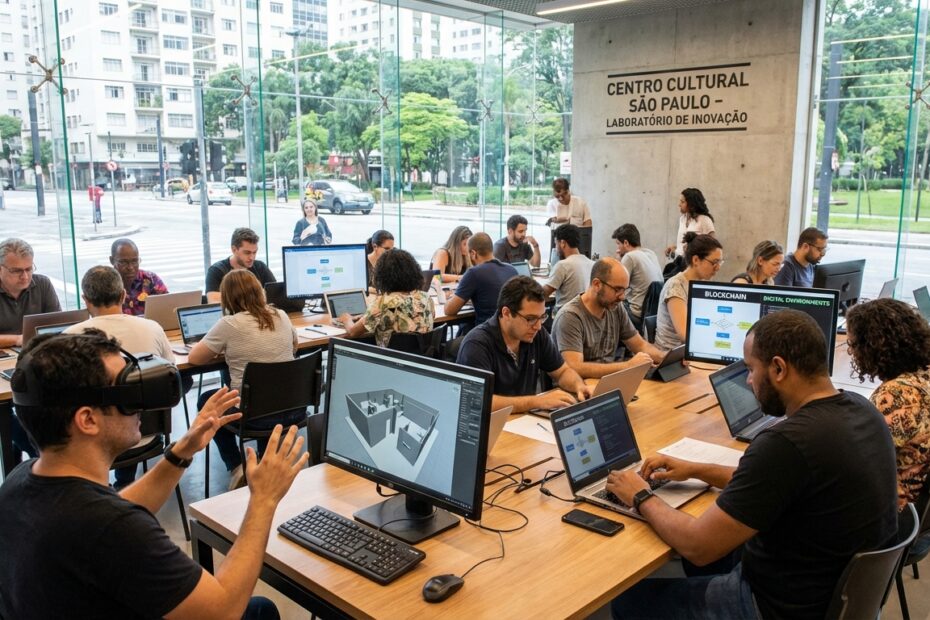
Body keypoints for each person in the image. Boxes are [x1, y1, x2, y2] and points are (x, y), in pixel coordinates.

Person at [607, 310, 898, 619]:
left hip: (777, 607)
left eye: (750, 369)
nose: (748, 380)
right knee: (717, 556)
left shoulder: (786, 443)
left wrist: (640, 495)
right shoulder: (862, 409)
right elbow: (777, 483)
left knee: (630, 601)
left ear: (778, 368)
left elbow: (698, 546)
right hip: (838, 598)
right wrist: (695, 469)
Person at [0, 331, 308, 619]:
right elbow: (224, 609)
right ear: (87, 420)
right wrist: (264, 500)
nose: (141, 406)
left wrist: (179, 453)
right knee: (258, 611)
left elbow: (112, 511)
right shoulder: (110, 528)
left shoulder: (22, 481)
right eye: (128, 392)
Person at [64, 265, 175, 489]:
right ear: (123, 295)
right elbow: (169, 373)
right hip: (146, 434)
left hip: (94, 440)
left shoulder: (70, 337)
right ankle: (124, 483)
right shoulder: (152, 327)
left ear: (85, 300)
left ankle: (111, 485)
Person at [189, 269, 300, 489]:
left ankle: (236, 465)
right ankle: (262, 461)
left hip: (252, 415)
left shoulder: (229, 324)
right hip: (292, 408)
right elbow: (294, 347)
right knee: (263, 392)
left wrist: (225, 349)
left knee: (207, 400)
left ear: (228, 297)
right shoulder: (282, 316)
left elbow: (195, 358)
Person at [456, 276, 592, 413]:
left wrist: (578, 385)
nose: (538, 326)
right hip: (492, 427)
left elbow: (562, 372)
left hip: (524, 421)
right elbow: (477, 401)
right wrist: (537, 401)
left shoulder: (535, 334)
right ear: (506, 313)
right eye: (530, 319)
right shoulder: (477, 345)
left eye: (542, 317)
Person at [846, 298, 930, 508]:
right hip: (919, 507)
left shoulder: (896, 395)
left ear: (871, 346)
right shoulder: (923, 374)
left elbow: (856, 463)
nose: (851, 352)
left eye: (852, 344)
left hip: (891, 511)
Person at [553, 258, 665, 379]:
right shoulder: (570, 316)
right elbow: (574, 367)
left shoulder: (615, 307)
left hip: (608, 382)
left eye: (625, 290)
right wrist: (627, 366)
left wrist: (665, 357)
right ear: (597, 285)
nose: (622, 297)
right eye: (617, 289)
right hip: (579, 389)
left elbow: (639, 345)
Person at [340, 248, 435, 347]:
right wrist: (367, 316)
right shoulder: (426, 297)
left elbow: (352, 333)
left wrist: (346, 319)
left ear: (382, 276)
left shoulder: (384, 303)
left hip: (390, 359)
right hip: (422, 358)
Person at [654, 233, 723, 352]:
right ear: (696, 260)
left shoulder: (702, 284)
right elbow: (685, 335)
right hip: (670, 356)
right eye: (714, 262)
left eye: (720, 262)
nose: (718, 268)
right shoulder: (676, 286)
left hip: (690, 352)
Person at [445, 232, 518, 325]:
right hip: (511, 331)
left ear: (473, 253)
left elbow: (449, 310)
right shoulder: (511, 269)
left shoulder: (474, 273)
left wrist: (450, 298)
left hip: (486, 335)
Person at [0, 237, 61, 348]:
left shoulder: (42, 284)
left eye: (28, 269)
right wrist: (17, 339)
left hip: (36, 351)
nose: (25, 276)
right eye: (16, 271)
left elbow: (59, 325)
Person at [205, 228, 276, 303]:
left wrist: (232, 297)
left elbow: (275, 293)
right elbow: (213, 301)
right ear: (234, 249)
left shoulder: (260, 267)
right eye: (247, 253)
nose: (252, 257)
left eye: (254, 252)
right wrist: (259, 294)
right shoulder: (216, 271)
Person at [612, 223, 663, 325]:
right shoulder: (651, 253)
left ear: (626, 243)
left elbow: (615, 285)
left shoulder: (630, 256)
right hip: (652, 314)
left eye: (618, 244)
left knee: (607, 305)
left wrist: (618, 261)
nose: (617, 248)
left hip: (636, 314)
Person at [542, 224, 594, 316]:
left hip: (565, 317)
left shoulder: (563, 265)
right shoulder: (592, 264)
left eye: (555, 244)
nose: (556, 248)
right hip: (586, 317)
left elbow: (543, 293)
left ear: (562, 243)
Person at [109, 238, 169, 316]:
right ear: (112, 260)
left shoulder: (150, 279)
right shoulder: (105, 285)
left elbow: (168, 306)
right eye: (123, 262)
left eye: (134, 261)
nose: (130, 267)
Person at [665, 188, 715, 259]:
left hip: (695, 265)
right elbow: (685, 245)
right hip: (679, 262)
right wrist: (675, 247)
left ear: (692, 204)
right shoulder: (682, 219)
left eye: (682, 202)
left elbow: (712, 247)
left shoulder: (705, 220)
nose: (679, 204)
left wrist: (693, 249)